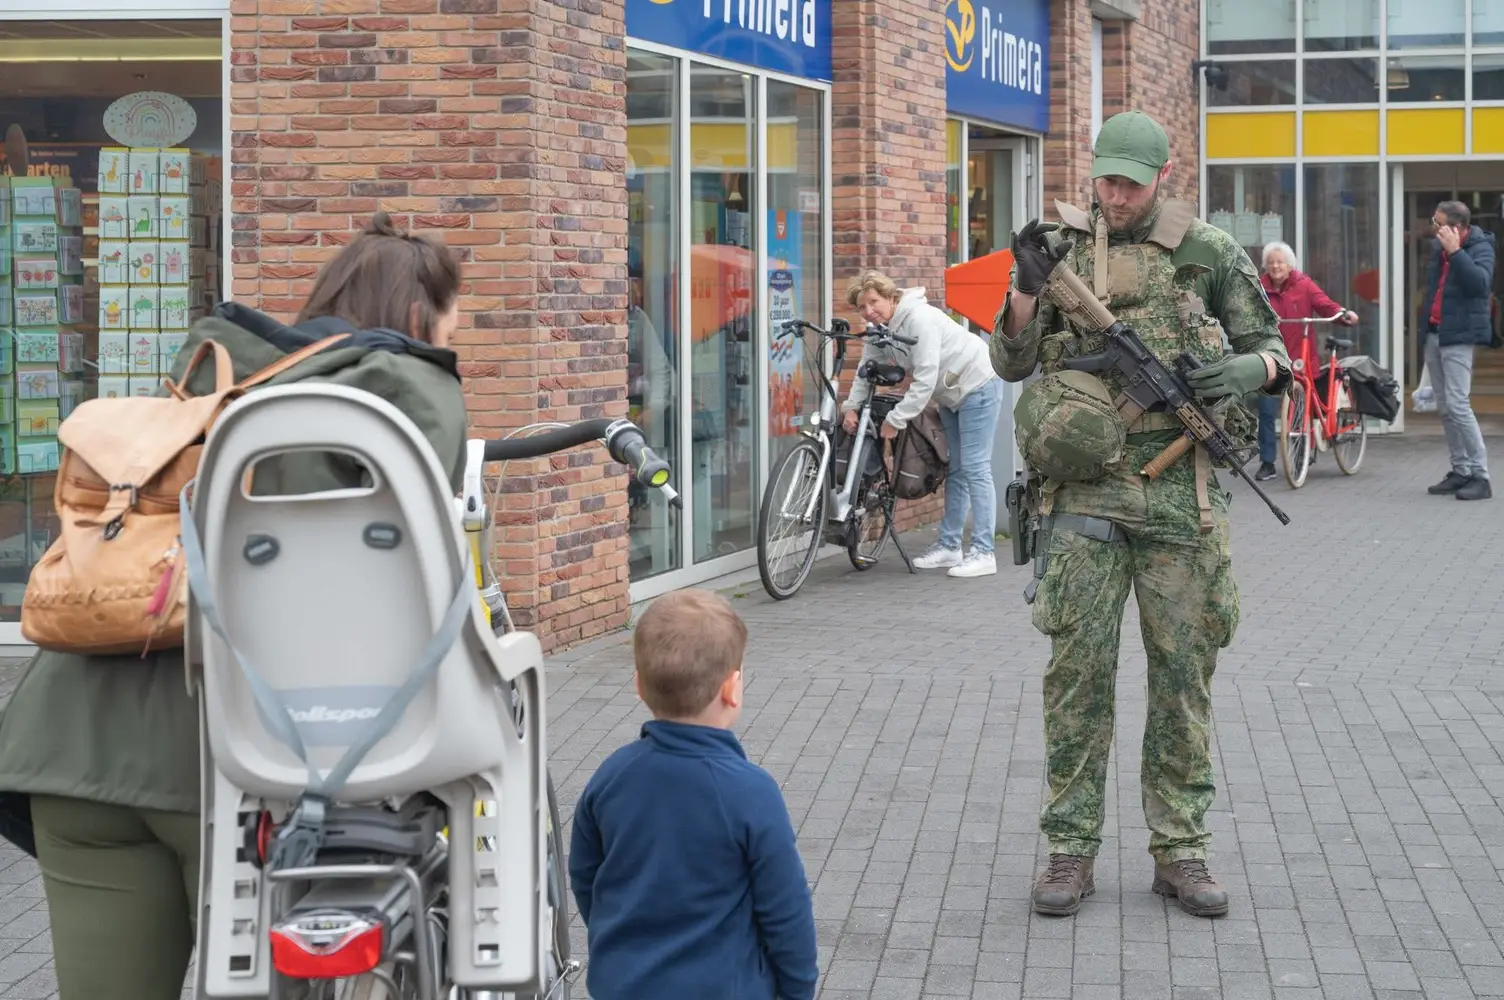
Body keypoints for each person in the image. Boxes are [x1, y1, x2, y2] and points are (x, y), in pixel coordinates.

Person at [0, 212, 471, 1000]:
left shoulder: (212, 379)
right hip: (247, 766)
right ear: (420, 316)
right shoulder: (392, 392)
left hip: (75, 751)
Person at [991, 111, 1290, 918]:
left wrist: (1237, 370)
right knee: (1076, 679)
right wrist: (1023, 289)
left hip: (1179, 501)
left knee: (1183, 680)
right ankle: (1068, 850)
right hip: (1084, 495)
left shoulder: (1209, 252)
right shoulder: (1061, 245)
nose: (1113, 194)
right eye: (1104, 178)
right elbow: (1012, 362)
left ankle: (1182, 850)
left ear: (1162, 175)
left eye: (1129, 181)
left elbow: (1277, 356)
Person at [569, 588, 818, 1000]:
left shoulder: (611, 775)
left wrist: (617, 945)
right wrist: (798, 990)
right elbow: (786, 910)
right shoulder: (752, 792)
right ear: (732, 689)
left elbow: (585, 874)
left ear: (639, 686)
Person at [843, 269, 1004, 578]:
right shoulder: (880, 329)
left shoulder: (919, 319)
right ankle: (949, 546)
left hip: (977, 383)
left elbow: (925, 378)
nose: (869, 311)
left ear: (890, 297)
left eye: (874, 302)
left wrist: (896, 420)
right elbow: (867, 369)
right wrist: (851, 407)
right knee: (955, 468)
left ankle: (985, 552)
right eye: (862, 307)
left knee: (975, 467)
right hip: (950, 393)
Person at [1254, 240, 1358, 481]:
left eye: (1280, 262)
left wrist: (1343, 314)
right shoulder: (1259, 287)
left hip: (1301, 358)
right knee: (1267, 411)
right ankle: (1267, 463)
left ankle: (1300, 456)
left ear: (1290, 265)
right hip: (1272, 357)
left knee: (1300, 409)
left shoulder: (1304, 285)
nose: (1276, 266)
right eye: (1271, 263)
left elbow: (1324, 305)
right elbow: (1247, 310)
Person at [1420, 199, 1496, 501]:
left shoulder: (1480, 247)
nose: (1433, 227)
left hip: (1459, 336)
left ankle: (1481, 476)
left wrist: (1456, 252)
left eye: (1438, 223)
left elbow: (1480, 285)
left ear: (1457, 228)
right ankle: (1461, 470)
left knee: (1458, 404)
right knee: (1446, 407)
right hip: (1435, 333)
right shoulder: (1438, 249)